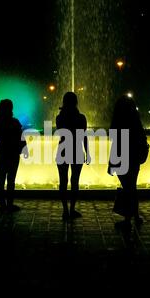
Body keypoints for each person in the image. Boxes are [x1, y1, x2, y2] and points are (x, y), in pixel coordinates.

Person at [108, 95, 148, 229]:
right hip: (134, 156)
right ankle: (135, 217)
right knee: (132, 187)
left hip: (121, 156)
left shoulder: (118, 120)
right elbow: (141, 137)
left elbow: (114, 139)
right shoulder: (136, 120)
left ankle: (127, 220)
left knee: (127, 187)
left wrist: (112, 162)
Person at [55, 92, 91, 220]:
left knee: (63, 181)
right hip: (76, 150)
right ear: (76, 102)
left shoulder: (59, 117)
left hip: (63, 150)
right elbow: (84, 136)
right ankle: (72, 209)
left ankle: (65, 211)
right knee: (75, 181)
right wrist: (87, 152)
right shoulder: (81, 118)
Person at [0, 99, 28, 213]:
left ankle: (2, 205)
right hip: (13, 152)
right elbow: (22, 138)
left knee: (0, 179)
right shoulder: (15, 122)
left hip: (1, 152)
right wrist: (24, 150)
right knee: (11, 180)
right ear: (11, 109)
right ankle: (9, 205)